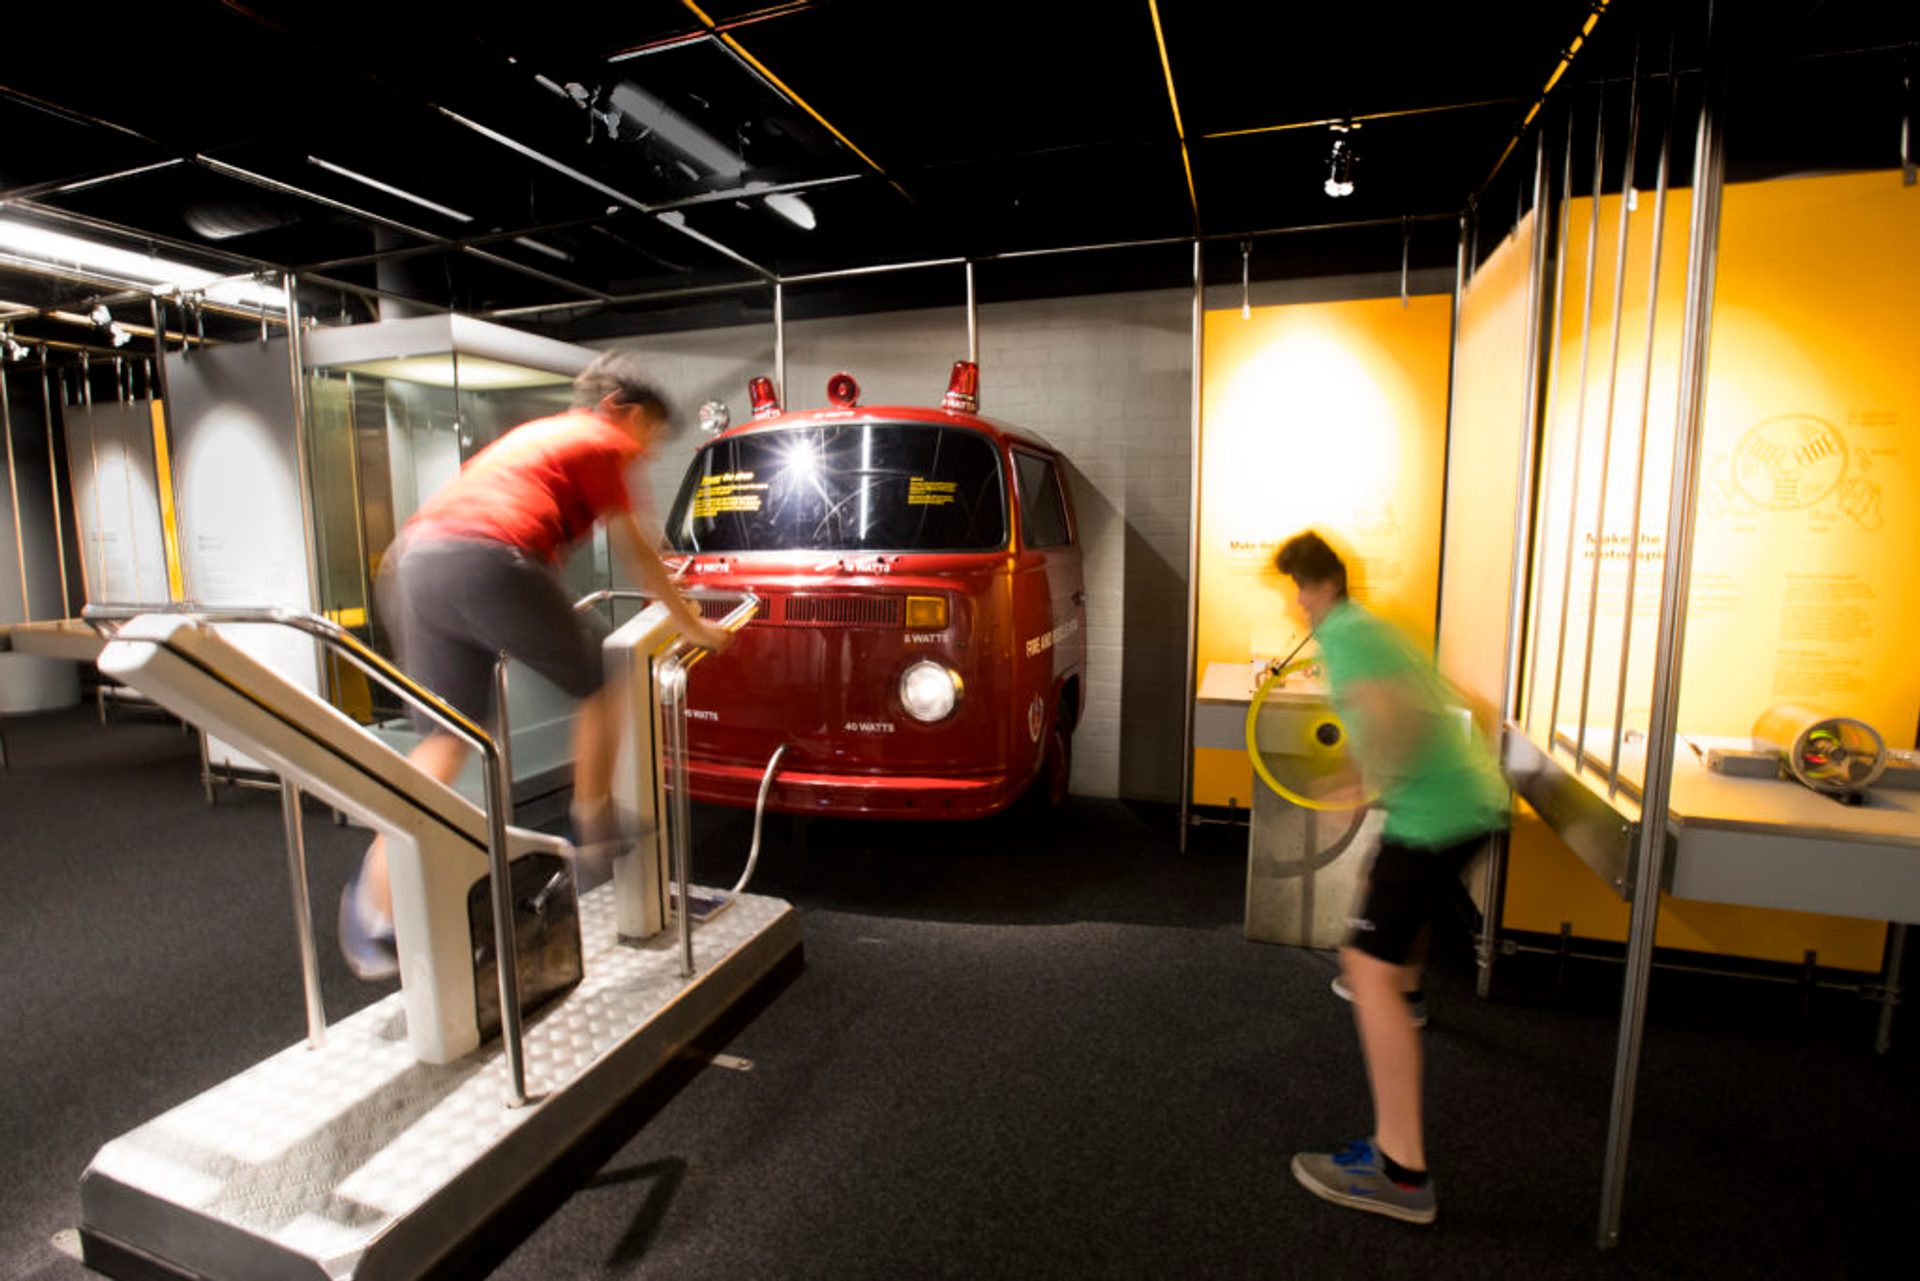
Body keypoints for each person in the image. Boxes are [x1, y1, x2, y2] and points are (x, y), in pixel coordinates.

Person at [338, 349, 732, 981]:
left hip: (414, 565)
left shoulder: (537, 439)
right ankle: (594, 822)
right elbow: (636, 547)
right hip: (485, 559)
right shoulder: (598, 437)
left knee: (446, 743)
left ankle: (372, 913)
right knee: (605, 676)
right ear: (618, 411)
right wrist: (694, 626)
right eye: (647, 438)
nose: (645, 454)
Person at [1275, 530, 1507, 1226]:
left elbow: (1393, 718)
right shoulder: (1370, 628)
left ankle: (1401, 1170)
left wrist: (1366, 779)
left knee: (1363, 966)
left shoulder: (1344, 633)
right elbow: (1433, 708)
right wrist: (1371, 775)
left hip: (1436, 812)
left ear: (1317, 587)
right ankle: (1406, 994)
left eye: (1297, 589)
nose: (1296, 603)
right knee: (1388, 930)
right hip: (1467, 804)